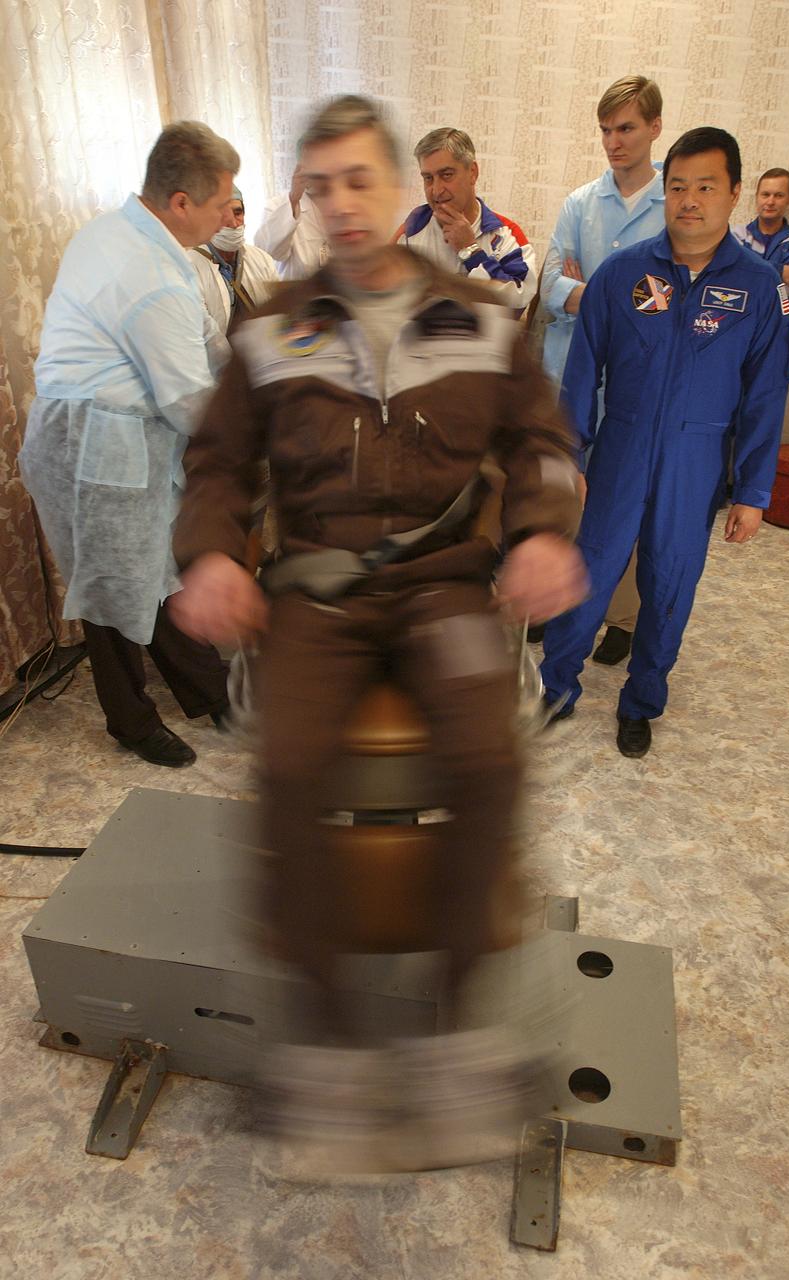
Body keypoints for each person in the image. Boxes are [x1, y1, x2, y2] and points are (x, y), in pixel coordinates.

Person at [169, 94, 586, 1166]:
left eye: (360, 180)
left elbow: (541, 442)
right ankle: (329, 1042)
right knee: (291, 762)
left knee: (487, 759)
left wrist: (541, 533)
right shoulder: (275, 326)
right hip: (319, 591)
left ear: (398, 187)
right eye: (321, 187)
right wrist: (212, 554)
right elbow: (217, 463)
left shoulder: (475, 316)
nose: (342, 204)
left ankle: (459, 1027)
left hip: (444, 588)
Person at [540, 127, 789, 759]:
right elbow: (582, 372)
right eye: (677, 186)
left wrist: (753, 491)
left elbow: (765, 398)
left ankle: (641, 701)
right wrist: (571, 454)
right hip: (621, 450)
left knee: (670, 582)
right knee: (589, 570)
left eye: (706, 186)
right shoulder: (622, 274)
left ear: (734, 192)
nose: (690, 200)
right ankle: (556, 686)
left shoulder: (760, 289)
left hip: (696, 461)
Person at [19, 122, 239, 768]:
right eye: (221, 201)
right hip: (94, 447)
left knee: (160, 570)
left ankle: (210, 691)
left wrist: (250, 370)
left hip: (114, 434)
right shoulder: (150, 275)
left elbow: (207, 339)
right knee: (116, 586)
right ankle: (131, 720)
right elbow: (189, 402)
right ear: (181, 202)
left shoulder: (127, 232)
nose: (229, 213)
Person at [539, 75, 666, 665]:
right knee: (564, 497)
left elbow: (672, 301)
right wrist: (616, 297)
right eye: (606, 130)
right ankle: (557, 602)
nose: (614, 141)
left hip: (639, 384)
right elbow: (548, 285)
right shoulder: (579, 203)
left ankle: (621, 617)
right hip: (572, 372)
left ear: (654, 128)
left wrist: (587, 290)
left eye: (627, 128)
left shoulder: (673, 206)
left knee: (625, 503)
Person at [396, 127, 537, 312]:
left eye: (446, 175)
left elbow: (520, 298)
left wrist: (470, 252)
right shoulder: (411, 229)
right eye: (428, 178)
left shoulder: (506, 234)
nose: (436, 190)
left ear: (472, 172)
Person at [189, 184, 279, 333]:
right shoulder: (190, 268)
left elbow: (278, 310)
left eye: (238, 213)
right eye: (223, 215)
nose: (233, 223)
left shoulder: (262, 260)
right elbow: (204, 332)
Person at [732, 168, 789, 296]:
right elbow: (730, 276)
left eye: (779, 196)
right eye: (765, 194)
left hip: (775, 309)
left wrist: (746, 267)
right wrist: (782, 271)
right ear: (757, 197)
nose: (770, 202)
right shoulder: (737, 235)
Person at [254, 164, 329, 279]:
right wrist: (293, 200)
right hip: (295, 287)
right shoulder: (276, 205)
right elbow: (268, 252)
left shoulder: (342, 204)